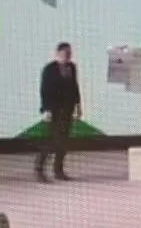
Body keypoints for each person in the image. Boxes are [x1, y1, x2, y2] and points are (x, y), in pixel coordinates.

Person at [36, 42, 82, 182]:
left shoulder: (71, 67)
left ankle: (58, 170)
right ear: (58, 53)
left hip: (67, 109)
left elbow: (75, 87)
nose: (67, 56)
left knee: (64, 141)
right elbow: (44, 90)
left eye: (69, 53)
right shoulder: (49, 69)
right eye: (65, 53)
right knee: (53, 141)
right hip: (54, 110)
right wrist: (46, 109)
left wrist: (78, 105)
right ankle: (40, 168)